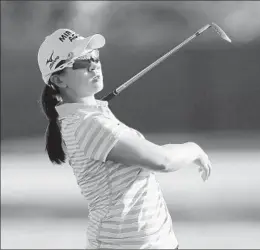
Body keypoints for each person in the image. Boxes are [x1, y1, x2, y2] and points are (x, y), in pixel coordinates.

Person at [38, 28, 212, 249]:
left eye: (95, 56)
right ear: (58, 79)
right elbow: (162, 160)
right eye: (81, 62)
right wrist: (193, 148)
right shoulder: (89, 124)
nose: (93, 64)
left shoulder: (88, 116)